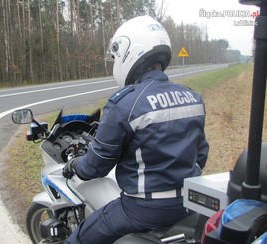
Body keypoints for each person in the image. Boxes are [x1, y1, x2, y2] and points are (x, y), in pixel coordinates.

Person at [62, 15, 209, 244]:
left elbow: (96, 166)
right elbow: (201, 154)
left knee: (78, 239)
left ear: (129, 52)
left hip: (142, 209)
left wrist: (73, 165)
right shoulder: (192, 97)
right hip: (190, 203)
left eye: (116, 56)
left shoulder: (124, 104)